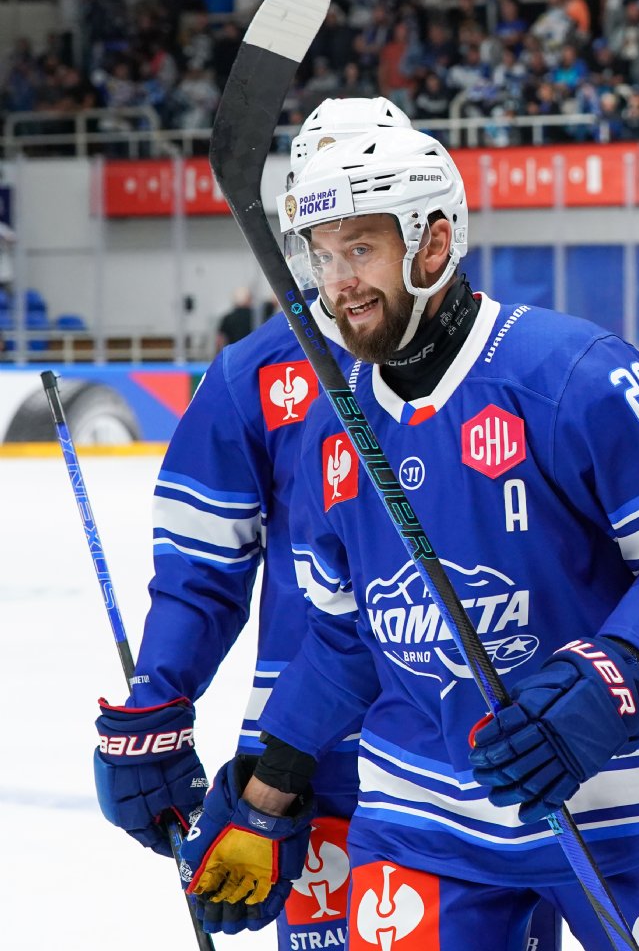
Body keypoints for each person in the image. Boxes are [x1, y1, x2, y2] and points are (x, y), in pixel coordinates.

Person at [174, 120, 639, 949]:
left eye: (361, 250)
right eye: (323, 256)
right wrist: (272, 783)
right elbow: (347, 636)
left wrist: (611, 674)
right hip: (423, 823)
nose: (339, 283)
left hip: (631, 814)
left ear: (434, 242)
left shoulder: (575, 373)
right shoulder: (334, 428)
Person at [91, 98, 425, 950]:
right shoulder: (255, 374)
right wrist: (156, 701)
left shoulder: (491, 361)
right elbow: (200, 570)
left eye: (366, 234)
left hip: (470, 738)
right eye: (327, 235)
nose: (344, 256)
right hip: (306, 756)